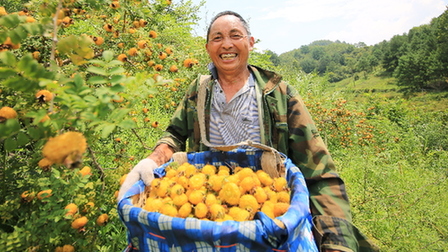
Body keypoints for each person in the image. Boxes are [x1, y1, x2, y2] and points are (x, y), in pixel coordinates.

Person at [118, 10, 378, 252]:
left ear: (251, 42)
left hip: (266, 223)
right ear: (208, 48)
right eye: (217, 38)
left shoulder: (279, 96)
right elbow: (174, 134)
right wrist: (154, 159)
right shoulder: (198, 92)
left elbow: (320, 173)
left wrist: (336, 241)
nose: (227, 44)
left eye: (235, 35)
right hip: (206, 216)